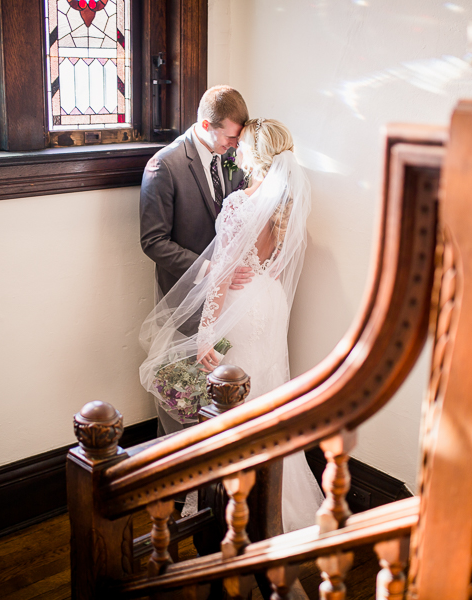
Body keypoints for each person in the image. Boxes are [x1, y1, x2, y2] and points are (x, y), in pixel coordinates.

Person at [140, 118, 324, 533]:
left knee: (227, 399)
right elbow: (279, 262)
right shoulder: (286, 203)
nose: (234, 151)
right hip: (270, 301)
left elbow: (221, 277)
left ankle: (228, 500)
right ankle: (276, 501)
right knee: (268, 388)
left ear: (253, 155)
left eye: (241, 146)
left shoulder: (239, 203)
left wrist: (206, 333)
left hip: (240, 304)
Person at [139, 85, 250, 298]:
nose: (236, 145)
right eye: (230, 137)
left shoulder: (233, 156)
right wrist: (212, 270)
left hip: (231, 293)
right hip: (187, 291)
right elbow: (154, 242)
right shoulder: (165, 165)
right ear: (206, 125)